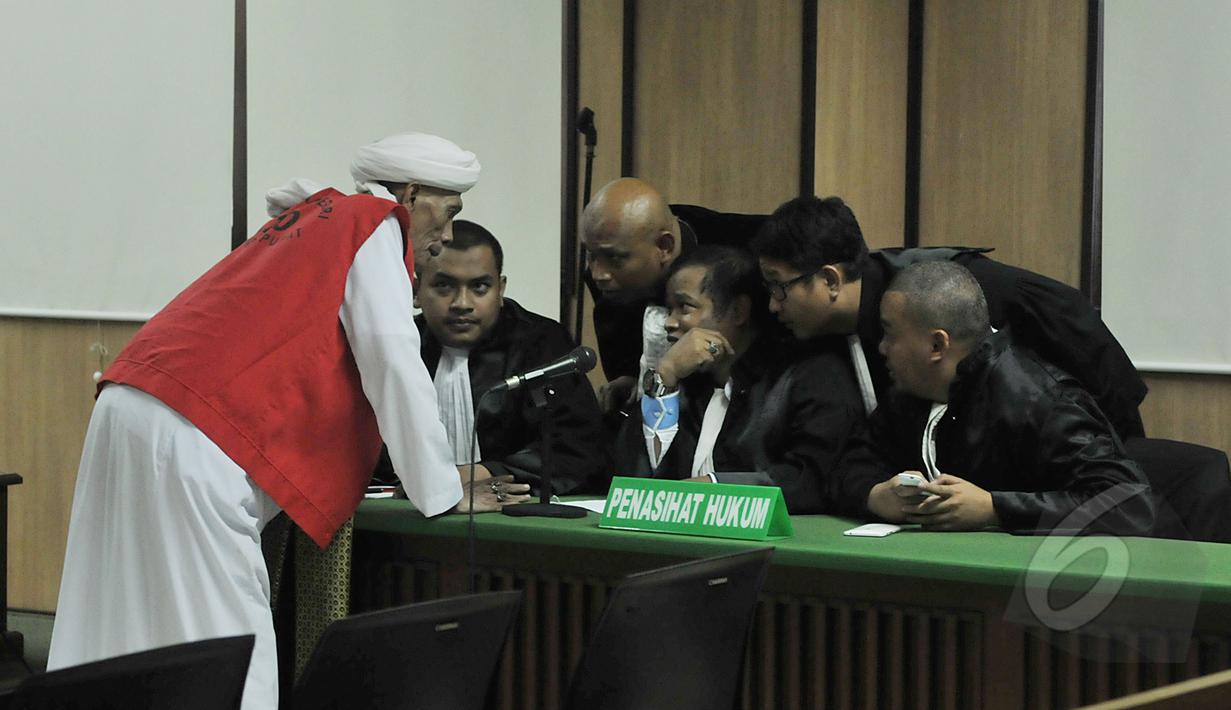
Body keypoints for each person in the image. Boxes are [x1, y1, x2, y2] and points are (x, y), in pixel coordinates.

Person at [47, 133, 529, 710]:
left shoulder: (320, 215)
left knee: (121, 621)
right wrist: (443, 492)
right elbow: (390, 353)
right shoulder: (374, 221)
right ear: (408, 194)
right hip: (194, 435)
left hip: (131, 406)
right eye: (447, 214)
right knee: (231, 645)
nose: (446, 236)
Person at [750, 195, 1148, 440]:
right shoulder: (827, 334)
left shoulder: (946, 290)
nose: (773, 304)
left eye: (779, 286)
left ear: (830, 280)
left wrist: (1116, 442)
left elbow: (1073, 328)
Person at [863, 261, 1155, 535]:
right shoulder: (912, 392)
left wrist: (994, 508)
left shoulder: (1039, 399)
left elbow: (1129, 504)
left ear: (937, 344)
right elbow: (852, 462)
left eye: (890, 334)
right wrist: (877, 496)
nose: (882, 348)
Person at [612, 246, 886, 514]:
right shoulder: (683, 381)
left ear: (738, 311)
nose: (669, 323)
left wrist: (716, 488)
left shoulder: (811, 376)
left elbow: (811, 477)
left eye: (684, 307)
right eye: (668, 309)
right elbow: (633, 480)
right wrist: (665, 377)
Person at [372, 220, 607, 494]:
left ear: (501, 289)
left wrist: (476, 475)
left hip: (516, 524)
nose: (462, 303)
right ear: (416, 290)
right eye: (444, 286)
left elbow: (575, 451)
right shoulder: (398, 348)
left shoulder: (542, 345)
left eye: (480, 287)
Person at [581, 178, 765, 410]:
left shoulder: (747, 248)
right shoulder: (609, 270)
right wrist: (636, 379)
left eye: (615, 258)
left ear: (665, 247)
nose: (598, 274)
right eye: (591, 255)